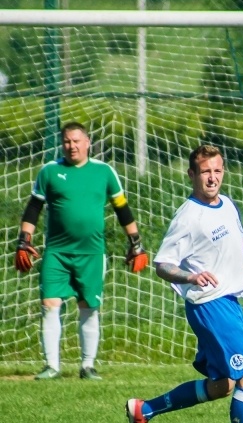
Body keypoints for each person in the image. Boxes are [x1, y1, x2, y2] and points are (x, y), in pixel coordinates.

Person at [125, 144, 243, 423]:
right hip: (209, 306)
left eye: (217, 171)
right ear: (192, 175)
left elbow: (222, 252)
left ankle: (144, 410)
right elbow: (162, 264)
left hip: (229, 303)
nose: (212, 177)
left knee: (222, 386)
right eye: (205, 172)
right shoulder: (189, 216)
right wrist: (190, 276)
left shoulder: (228, 204)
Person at [14, 121, 148, 380]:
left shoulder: (104, 172)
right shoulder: (49, 171)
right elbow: (33, 208)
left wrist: (136, 242)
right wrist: (23, 239)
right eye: (67, 141)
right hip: (57, 253)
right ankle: (52, 366)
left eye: (76, 141)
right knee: (50, 304)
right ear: (61, 143)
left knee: (88, 307)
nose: (71, 146)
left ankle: (87, 366)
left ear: (87, 143)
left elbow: (122, 208)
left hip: (92, 254)